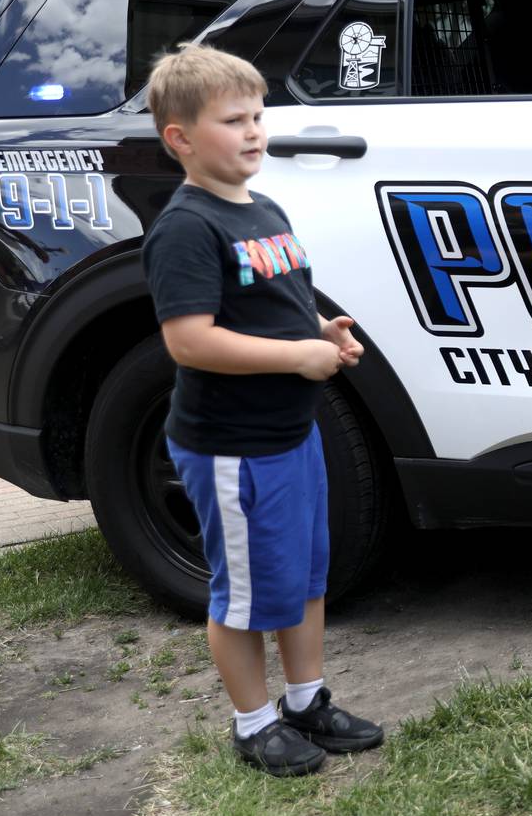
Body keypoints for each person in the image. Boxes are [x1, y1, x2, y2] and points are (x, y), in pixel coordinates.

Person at [142, 44, 384, 776]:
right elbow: (190, 340)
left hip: (289, 436)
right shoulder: (187, 226)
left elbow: (278, 300)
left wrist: (319, 333)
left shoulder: (262, 208)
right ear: (179, 137)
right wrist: (296, 359)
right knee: (244, 593)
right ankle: (253, 723)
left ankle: (306, 701)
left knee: (306, 576)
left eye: (257, 115)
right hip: (232, 447)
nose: (253, 131)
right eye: (231, 120)